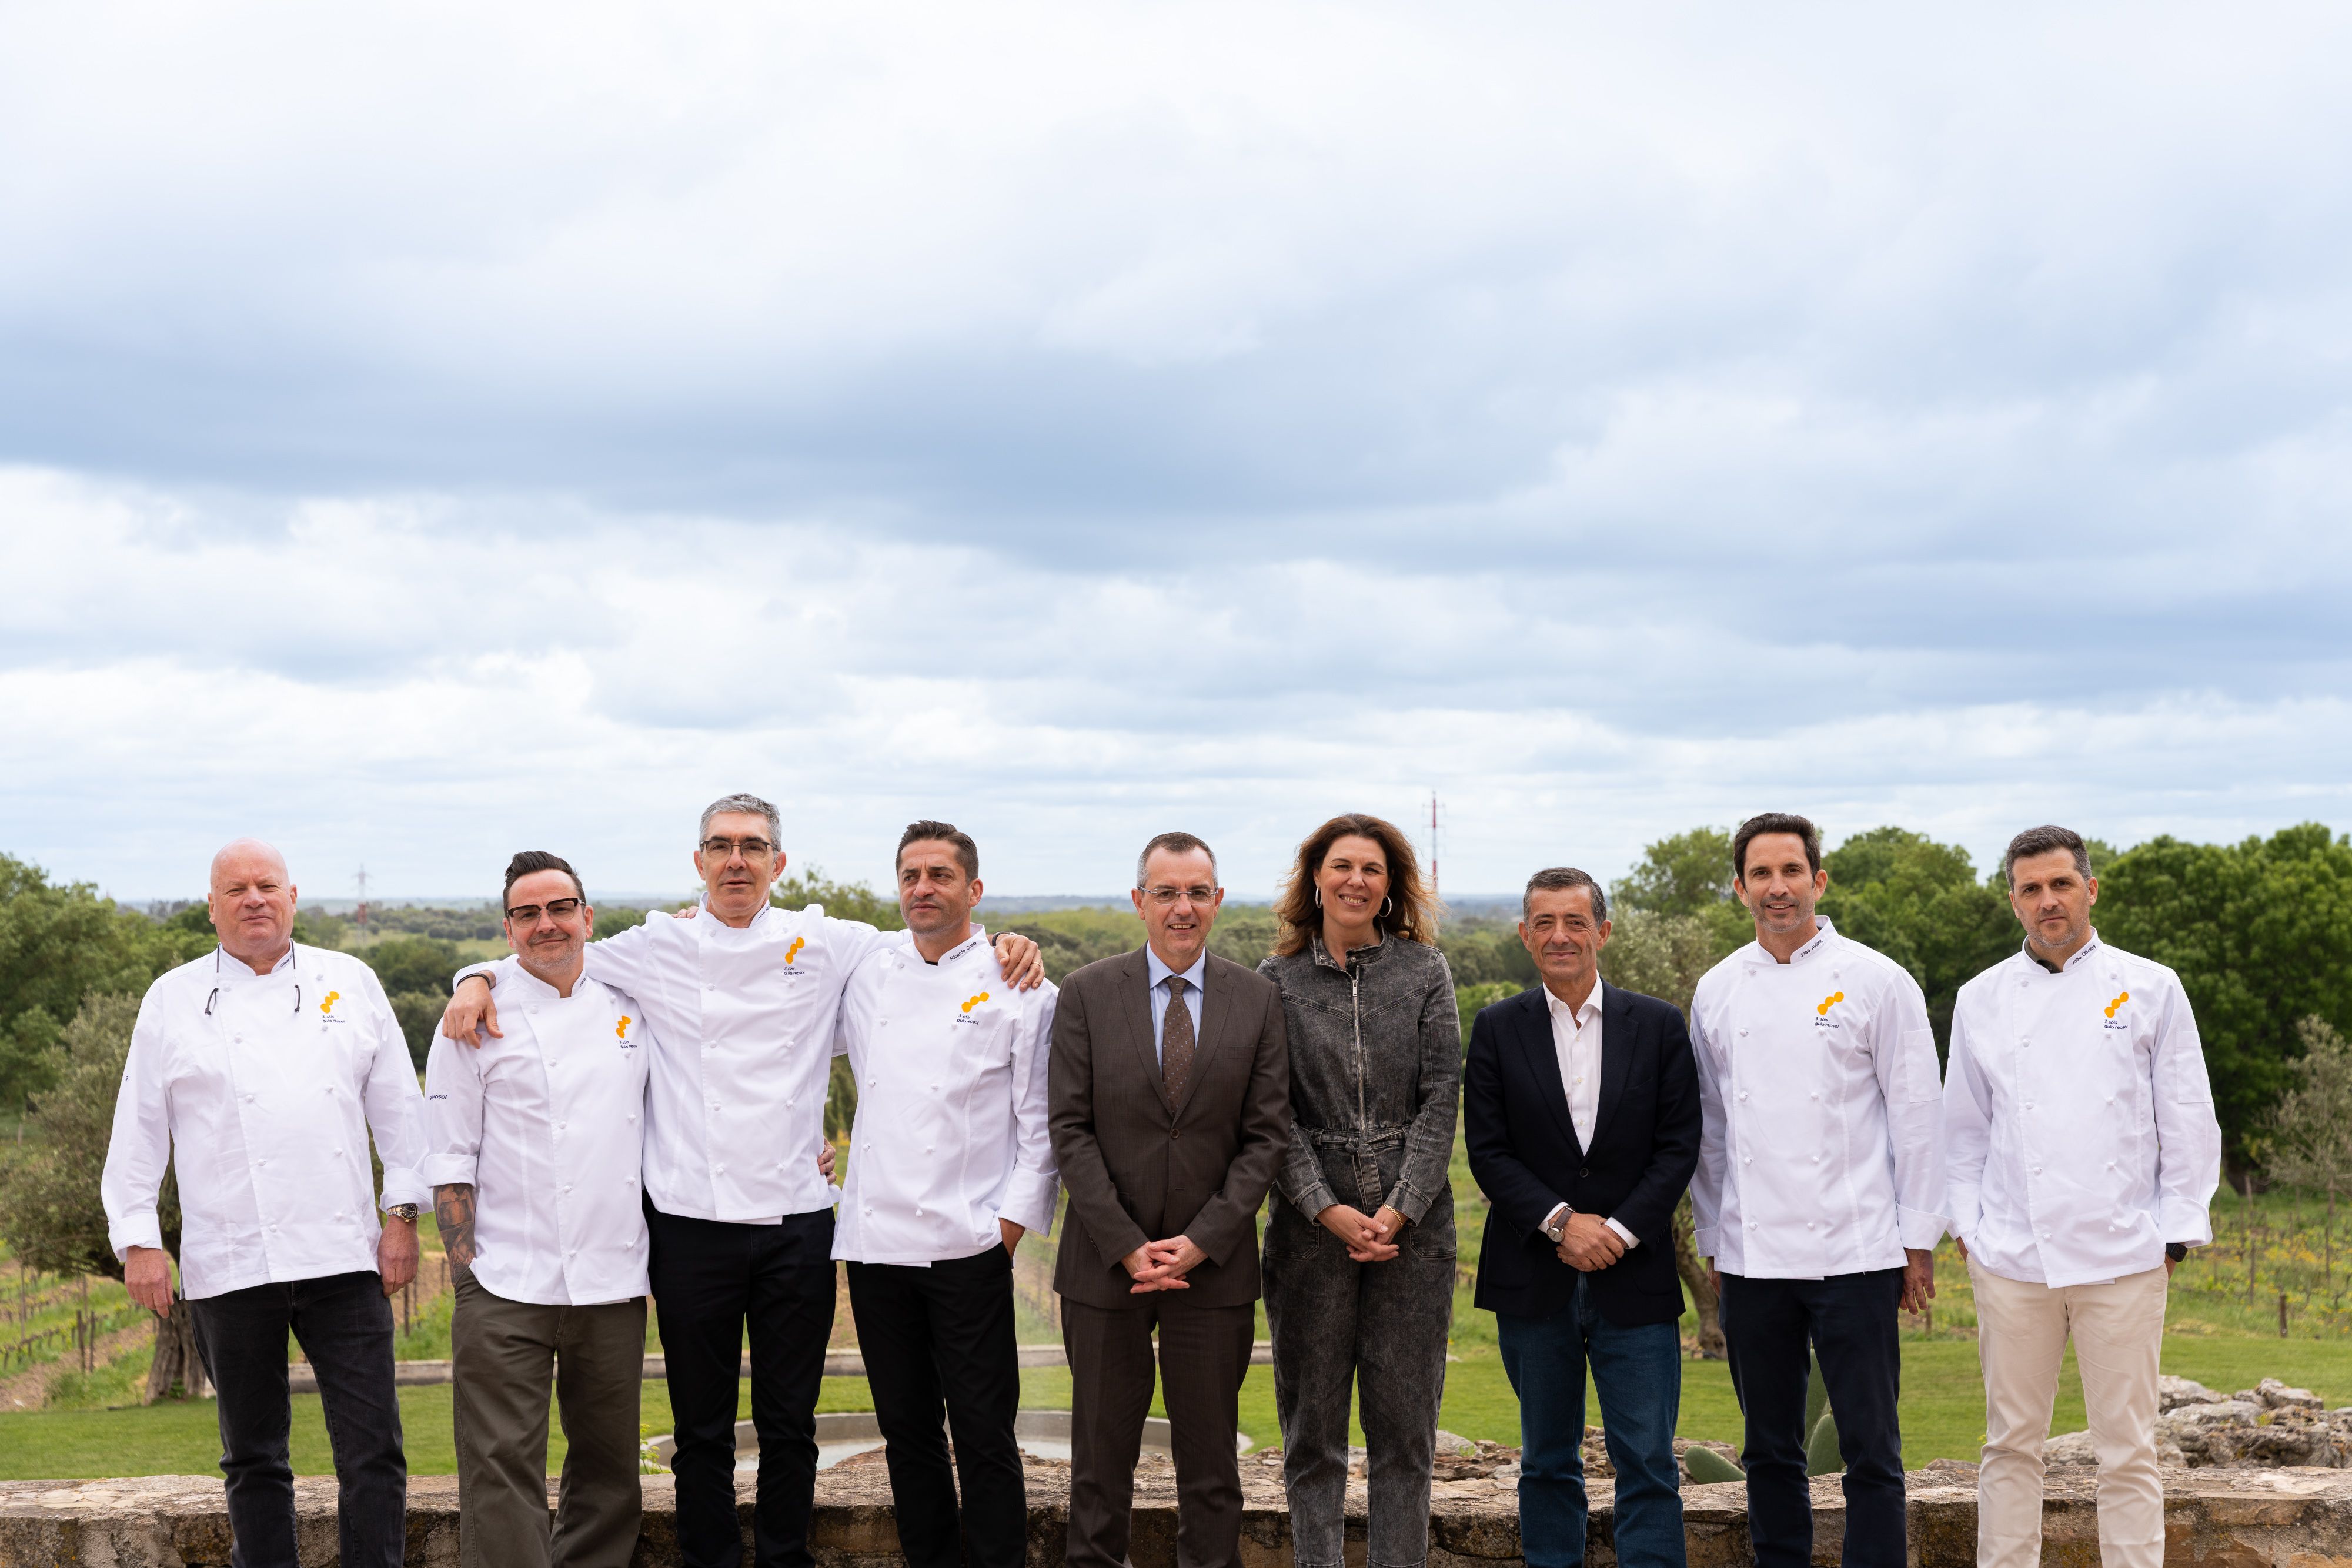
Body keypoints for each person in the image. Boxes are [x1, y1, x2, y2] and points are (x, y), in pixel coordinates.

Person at [437, 795, 1043, 1568]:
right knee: (702, 1427)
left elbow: (933, 943)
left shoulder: (827, 941)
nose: (735, 859)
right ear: (697, 862)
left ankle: (784, 1556)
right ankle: (711, 1557)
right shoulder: (654, 945)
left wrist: (1007, 945)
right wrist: (473, 975)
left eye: (752, 846)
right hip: (690, 1223)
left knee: (791, 1422)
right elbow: (547, 952)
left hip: (796, 1218)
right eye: (719, 846)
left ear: (777, 863)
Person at [102, 839, 429, 1568]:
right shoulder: (172, 999)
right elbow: (139, 1130)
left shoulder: (351, 981)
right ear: (212, 905)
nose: (254, 899)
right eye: (237, 889)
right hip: (230, 1258)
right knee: (253, 1458)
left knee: (373, 1452)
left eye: (267, 885)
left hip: (345, 1256)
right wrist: (140, 1240)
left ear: (292, 897)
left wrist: (402, 1216)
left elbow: (403, 1116)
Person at [1945, 824, 2221, 1568]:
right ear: (2013, 902)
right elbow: (1963, 1130)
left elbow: (2188, 1118)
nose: (2047, 901)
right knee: (2009, 1445)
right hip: (2011, 1259)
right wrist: (1970, 1230)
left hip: (2123, 1256)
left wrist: (2171, 1234)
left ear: (2089, 889)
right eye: (2030, 889)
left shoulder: (2151, 986)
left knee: (2127, 1450)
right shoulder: (1980, 999)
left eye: (2060, 884)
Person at [1689, 812, 1947, 1568]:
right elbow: (1709, 1131)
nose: (1777, 888)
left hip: (1859, 1252)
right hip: (1751, 1254)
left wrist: (1917, 1241)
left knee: (1871, 1450)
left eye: (1791, 871)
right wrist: (1713, 1239)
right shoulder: (1716, 990)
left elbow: (1918, 1116)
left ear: (1818, 880)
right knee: (1768, 1450)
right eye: (1761, 875)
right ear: (1740, 889)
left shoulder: (1876, 979)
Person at [1047, 831, 1290, 1568]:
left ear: (1216, 901)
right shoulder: (1087, 992)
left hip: (1211, 1273)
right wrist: (1125, 1243)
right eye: (1165, 893)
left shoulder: (1258, 999)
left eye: (1196, 893)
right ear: (1139, 902)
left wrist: (1202, 1240)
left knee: (1212, 1471)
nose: (1181, 908)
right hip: (1101, 1268)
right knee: (1098, 1467)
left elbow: (1266, 1137)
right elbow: (1070, 1129)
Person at [831, 821, 1060, 1568]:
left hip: (968, 1246)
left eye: (939, 875)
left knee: (985, 1435)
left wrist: (1004, 1233)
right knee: (907, 1434)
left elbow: (1040, 1131)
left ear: (974, 889)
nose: (922, 888)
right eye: (910, 875)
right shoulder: (868, 970)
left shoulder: (1024, 988)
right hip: (875, 1246)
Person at [1464, 867, 1702, 1568]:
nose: (1559, 936)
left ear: (1602, 930)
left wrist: (1617, 1231)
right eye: (1544, 923)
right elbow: (1488, 1150)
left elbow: (1678, 1143)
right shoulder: (1496, 1027)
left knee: (1650, 1466)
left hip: (1637, 1277)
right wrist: (1563, 1223)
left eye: (1574, 922)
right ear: (1524, 935)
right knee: (1544, 1461)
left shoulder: (1656, 1024)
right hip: (1533, 1279)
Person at [423, 852, 656, 1568]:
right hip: (504, 1279)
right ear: (508, 928)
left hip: (613, 1277)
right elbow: (448, 1155)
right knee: (498, 1467)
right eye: (527, 913)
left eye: (560, 909)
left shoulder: (635, 1001)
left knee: (609, 1468)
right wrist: (468, 1273)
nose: (545, 924)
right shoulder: (471, 1019)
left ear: (588, 917)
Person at [1255, 813, 1459, 1568]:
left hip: (1416, 1233)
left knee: (1405, 1432)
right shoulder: (1275, 981)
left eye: (1371, 869)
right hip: (1310, 1233)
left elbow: (1442, 1098)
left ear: (1390, 886)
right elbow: (1270, 1113)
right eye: (1341, 866)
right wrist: (1329, 1209)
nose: (1355, 881)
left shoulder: (1425, 972)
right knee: (1312, 1433)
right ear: (1315, 878)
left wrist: (1398, 1208)